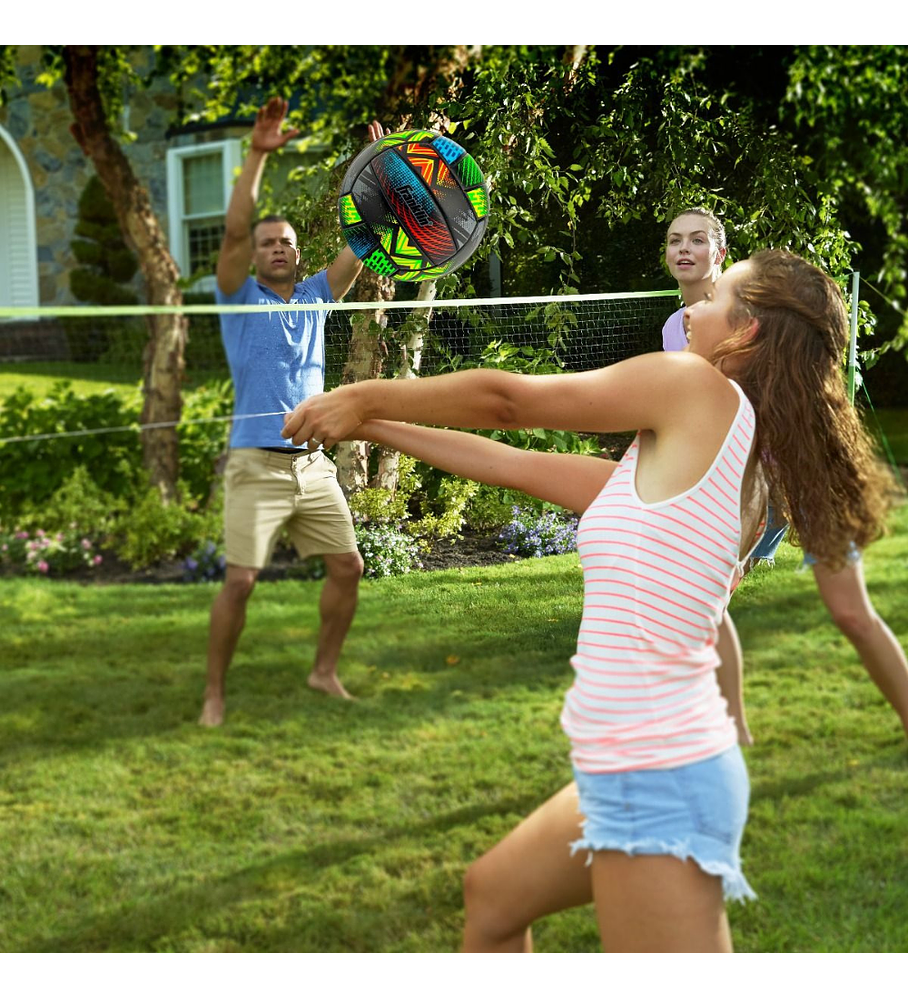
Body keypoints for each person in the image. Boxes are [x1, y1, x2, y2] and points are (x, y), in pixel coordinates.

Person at [281, 249, 894, 951]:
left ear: (746, 332)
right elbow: (515, 465)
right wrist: (370, 427)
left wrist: (367, 394)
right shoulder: (721, 451)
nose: (689, 308)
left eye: (713, 296)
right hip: (641, 765)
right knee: (492, 902)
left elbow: (511, 403)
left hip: (656, 773)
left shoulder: (696, 389)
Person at [663, 208, 908, 738]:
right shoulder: (676, 327)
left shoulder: (759, 306)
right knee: (701, 602)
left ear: (720, 253)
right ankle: (719, 728)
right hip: (744, 481)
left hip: (801, 465)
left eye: (697, 240)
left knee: (853, 615)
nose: (684, 250)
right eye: (674, 240)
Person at [198, 98, 376, 727]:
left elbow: (362, 244)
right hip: (255, 466)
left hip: (313, 467)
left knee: (348, 567)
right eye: (268, 242)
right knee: (241, 582)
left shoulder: (317, 295)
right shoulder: (235, 295)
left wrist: (373, 168)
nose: (277, 248)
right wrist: (256, 154)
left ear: (299, 254)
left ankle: (324, 671)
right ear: (255, 254)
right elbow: (232, 230)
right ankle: (214, 693)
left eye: (287, 242)